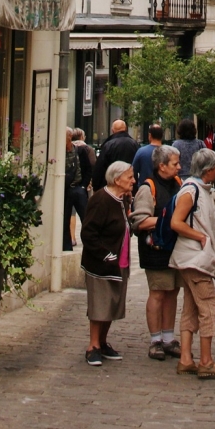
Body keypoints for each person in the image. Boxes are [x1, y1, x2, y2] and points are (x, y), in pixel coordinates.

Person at [169, 147, 215, 378]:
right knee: (210, 308)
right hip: (194, 258)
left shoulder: (198, 189)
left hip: (193, 258)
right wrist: (201, 238)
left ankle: (186, 358)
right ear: (209, 169)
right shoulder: (191, 190)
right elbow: (177, 222)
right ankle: (205, 360)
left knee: (192, 307)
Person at [130, 144, 183, 360]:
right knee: (158, 293)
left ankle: (169, 338)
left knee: (172, 292)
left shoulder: (178, 184)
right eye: (175, 163)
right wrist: (170, 222)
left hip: (174, 249)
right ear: (162, 166)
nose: (179, 167)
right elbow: (139, 221)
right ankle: (155, 340)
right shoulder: (147, 188)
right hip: (156, 249)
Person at [80, 160, 134, 366]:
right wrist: (104, 254)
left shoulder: (122, 199)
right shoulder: (101, 200)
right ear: (117, 179)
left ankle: (102, 342)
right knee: (100, 303)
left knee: (112, 302)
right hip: (102, 262)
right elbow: (89, 232)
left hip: (119, 260)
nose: (133, 180)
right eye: (129, 177)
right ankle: (92, 345)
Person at [92, 119, 140, 191]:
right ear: (125, 129)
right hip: (131, 185)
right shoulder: (135, 144)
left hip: (112, 185)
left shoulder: (108, 145)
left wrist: (96, 186)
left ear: (112, 130)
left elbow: (100, 167)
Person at [69, 128, 93, 246]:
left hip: (78, 187)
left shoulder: (80, 150)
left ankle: (73, 237)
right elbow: (92, 166)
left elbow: (89, 168)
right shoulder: (87, 149)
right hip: (79, 187)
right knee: (84, 214)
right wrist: (85, 185)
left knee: (76, 213)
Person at [63, 127, 83, 252]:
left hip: (76, 187)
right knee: (66, 217)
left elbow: (87, 166)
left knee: (83, 215)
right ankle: (67, 244)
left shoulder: (78, 150)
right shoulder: (59, 150)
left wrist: (84, 184)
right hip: (64, 189)